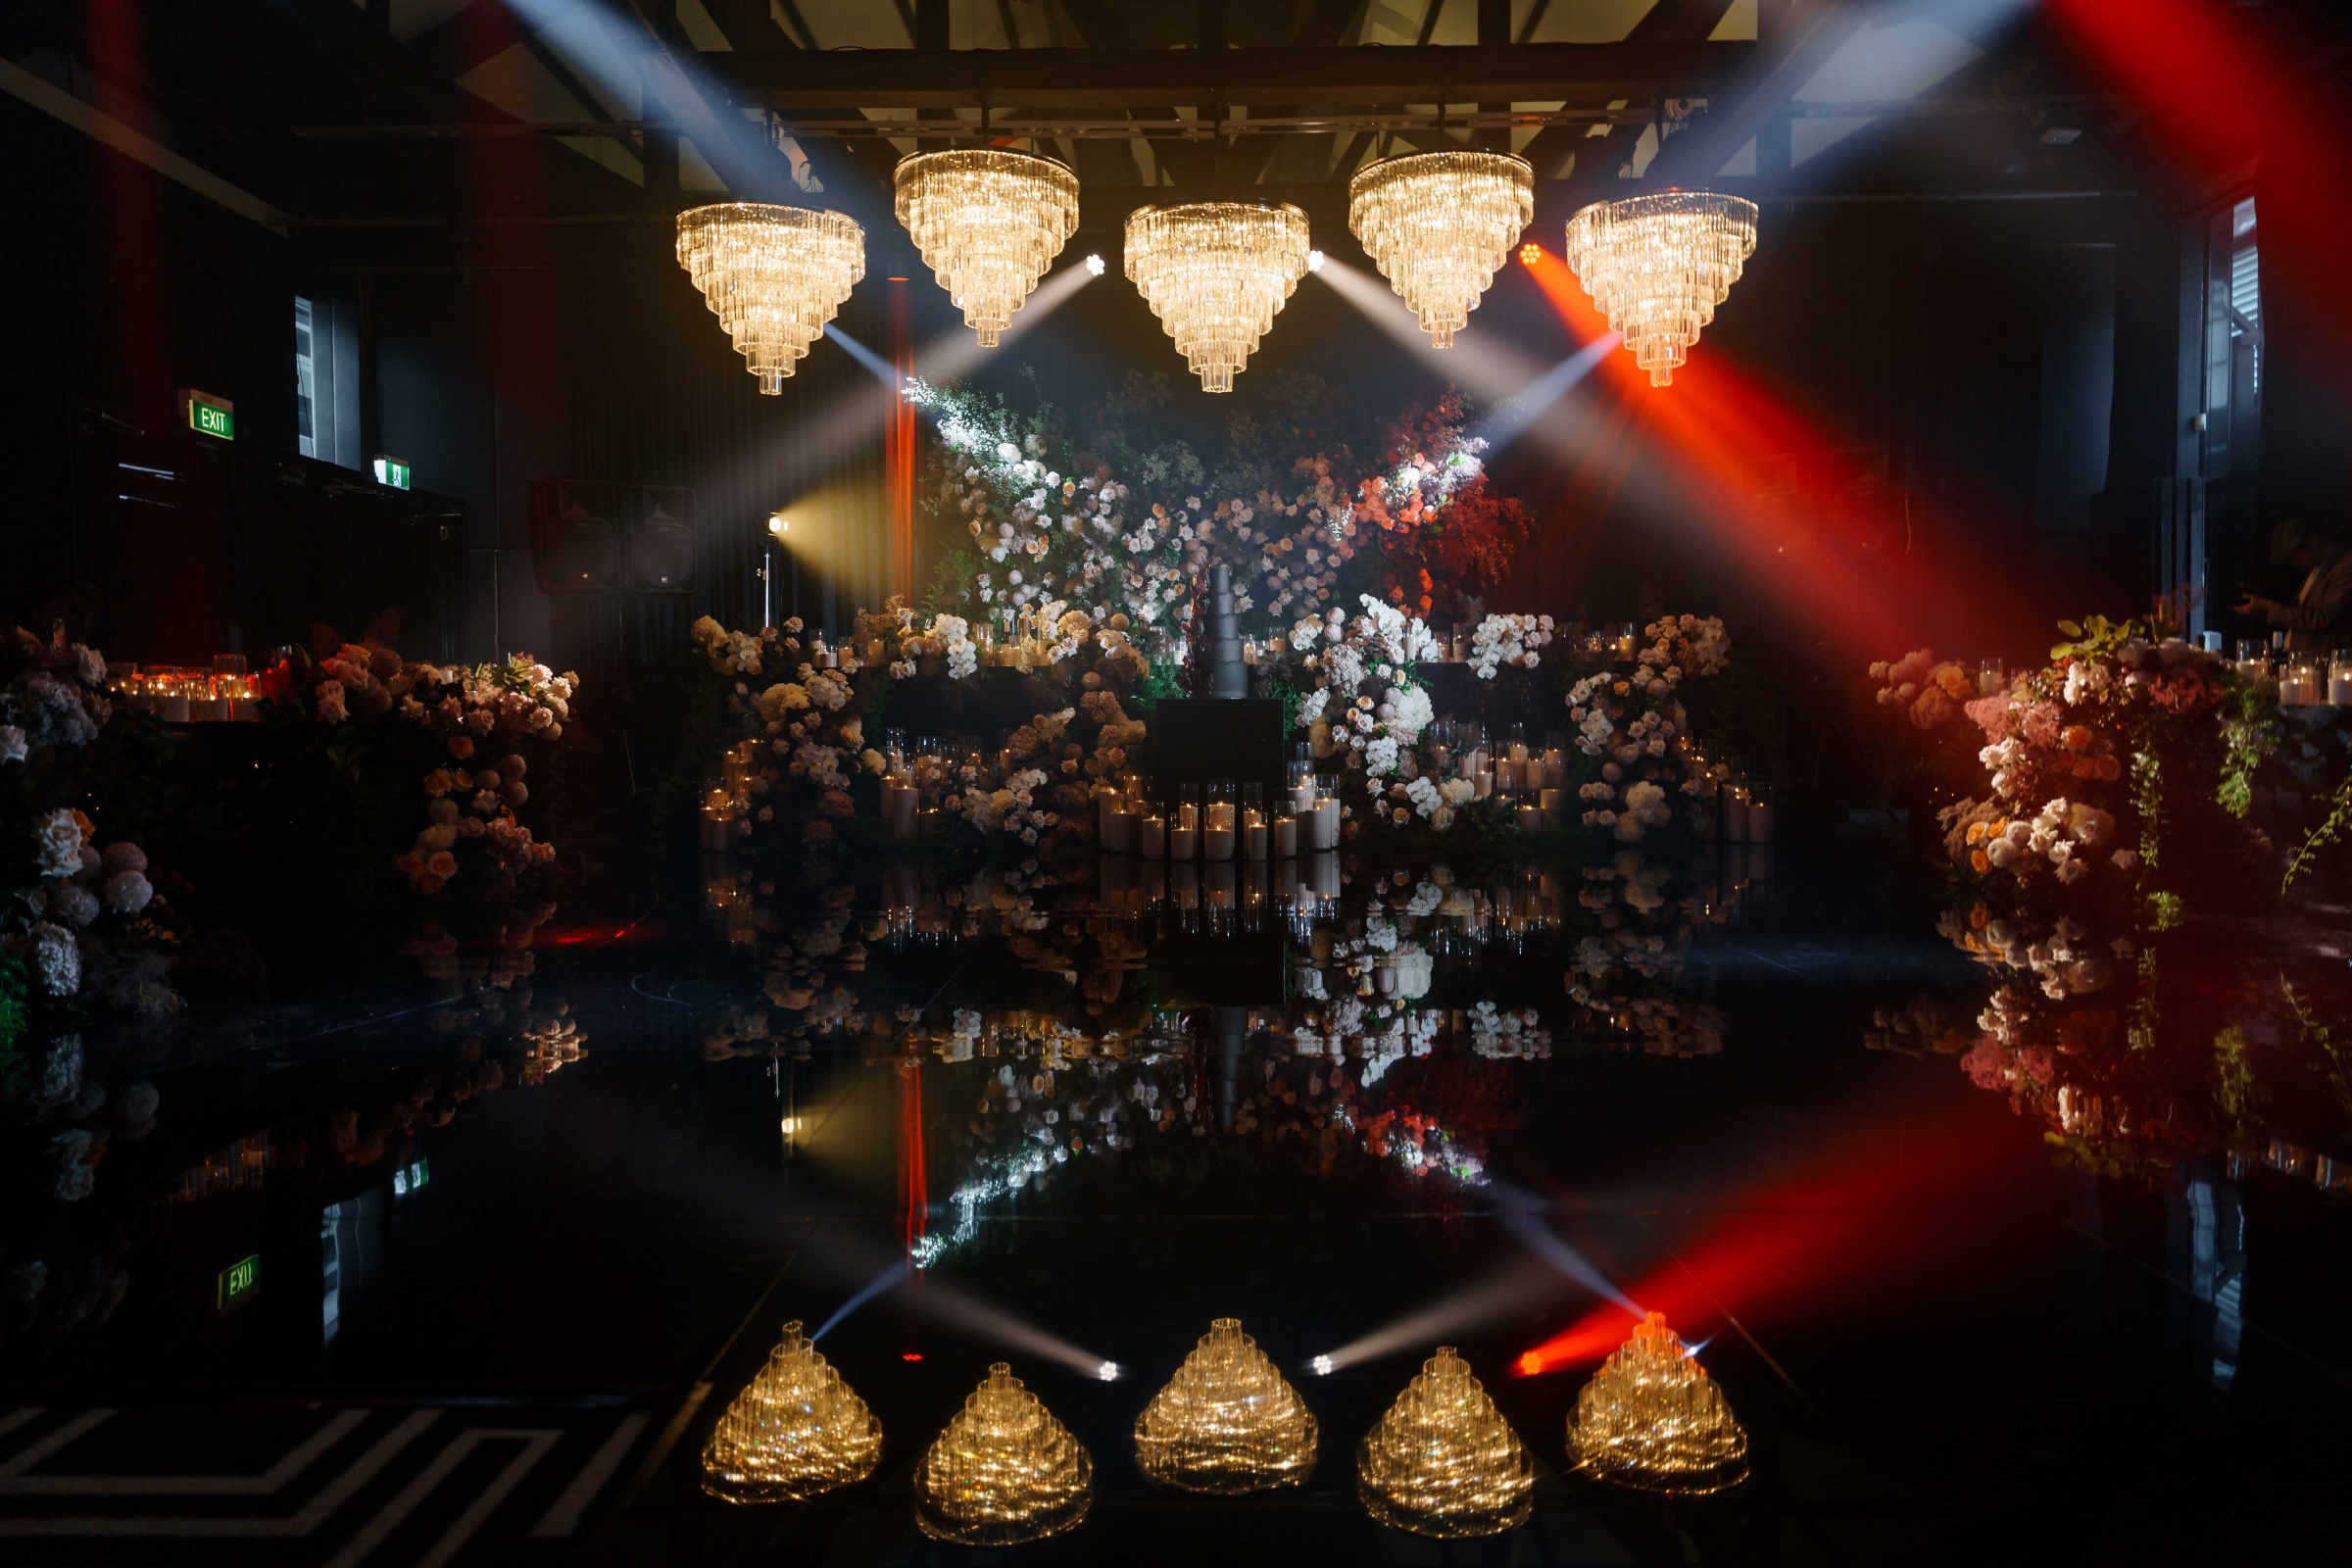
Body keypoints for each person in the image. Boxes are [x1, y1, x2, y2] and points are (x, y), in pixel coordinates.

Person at [2235, 518, 2352, 654]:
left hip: (2320, 659)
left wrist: (2269, 606)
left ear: (2312, 542)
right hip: (2299, 655)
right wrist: (2265, 609)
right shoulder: (2318, 567)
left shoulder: (2345, 566)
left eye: (2293, 557)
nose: (2294, 564)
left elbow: (2323, 618)